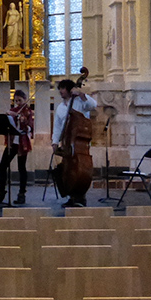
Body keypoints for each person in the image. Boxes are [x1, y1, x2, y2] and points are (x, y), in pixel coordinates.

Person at [52, 77, 98, 207]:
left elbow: (93, 105)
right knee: (66, 168)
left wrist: (82, 95)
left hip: (79, 142)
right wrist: (55, 142)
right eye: (59, 88)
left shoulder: (80, 102)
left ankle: (80, 196)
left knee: (79, 168)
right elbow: (57, 126)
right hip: (68, 142)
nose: (60, 91)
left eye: (62, 88)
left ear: (69, 89)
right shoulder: (60, 107)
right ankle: (71, 196)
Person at [0, 89, 34, 205]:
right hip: (12, 142)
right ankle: (1, 192)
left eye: (20, 100)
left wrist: (22, 119)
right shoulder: (13, 110)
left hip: (22, 142)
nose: (18, 103)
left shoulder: (28, 112)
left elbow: (30, 127)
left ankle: (22, 194)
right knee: (3, 165)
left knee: (21, 168)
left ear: (25, 99)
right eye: (16, 101)